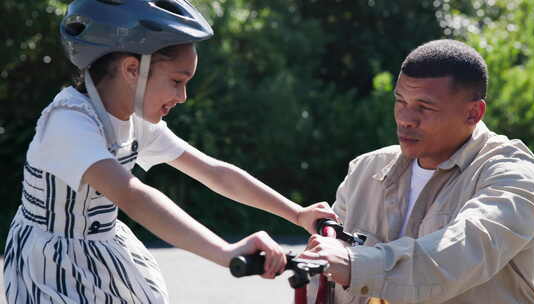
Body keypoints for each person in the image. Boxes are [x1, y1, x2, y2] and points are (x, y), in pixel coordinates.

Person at [2, 0, 337, 303]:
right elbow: (132, 195)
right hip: (49, 266)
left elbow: (216, 173)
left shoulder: (133, 120)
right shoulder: (69, 122)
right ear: (132, 70)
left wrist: (297, 214)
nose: (184, 96)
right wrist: (225, 251)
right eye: (178, 81)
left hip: (103, 251)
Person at [300, 39, 534, 304]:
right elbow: (324, 285)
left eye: (424, 107)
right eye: (400, 101)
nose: (405, 118)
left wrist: (356, 265)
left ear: (473, 113)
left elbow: (463, 252)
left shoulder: (512, 172)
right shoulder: (365, 170)